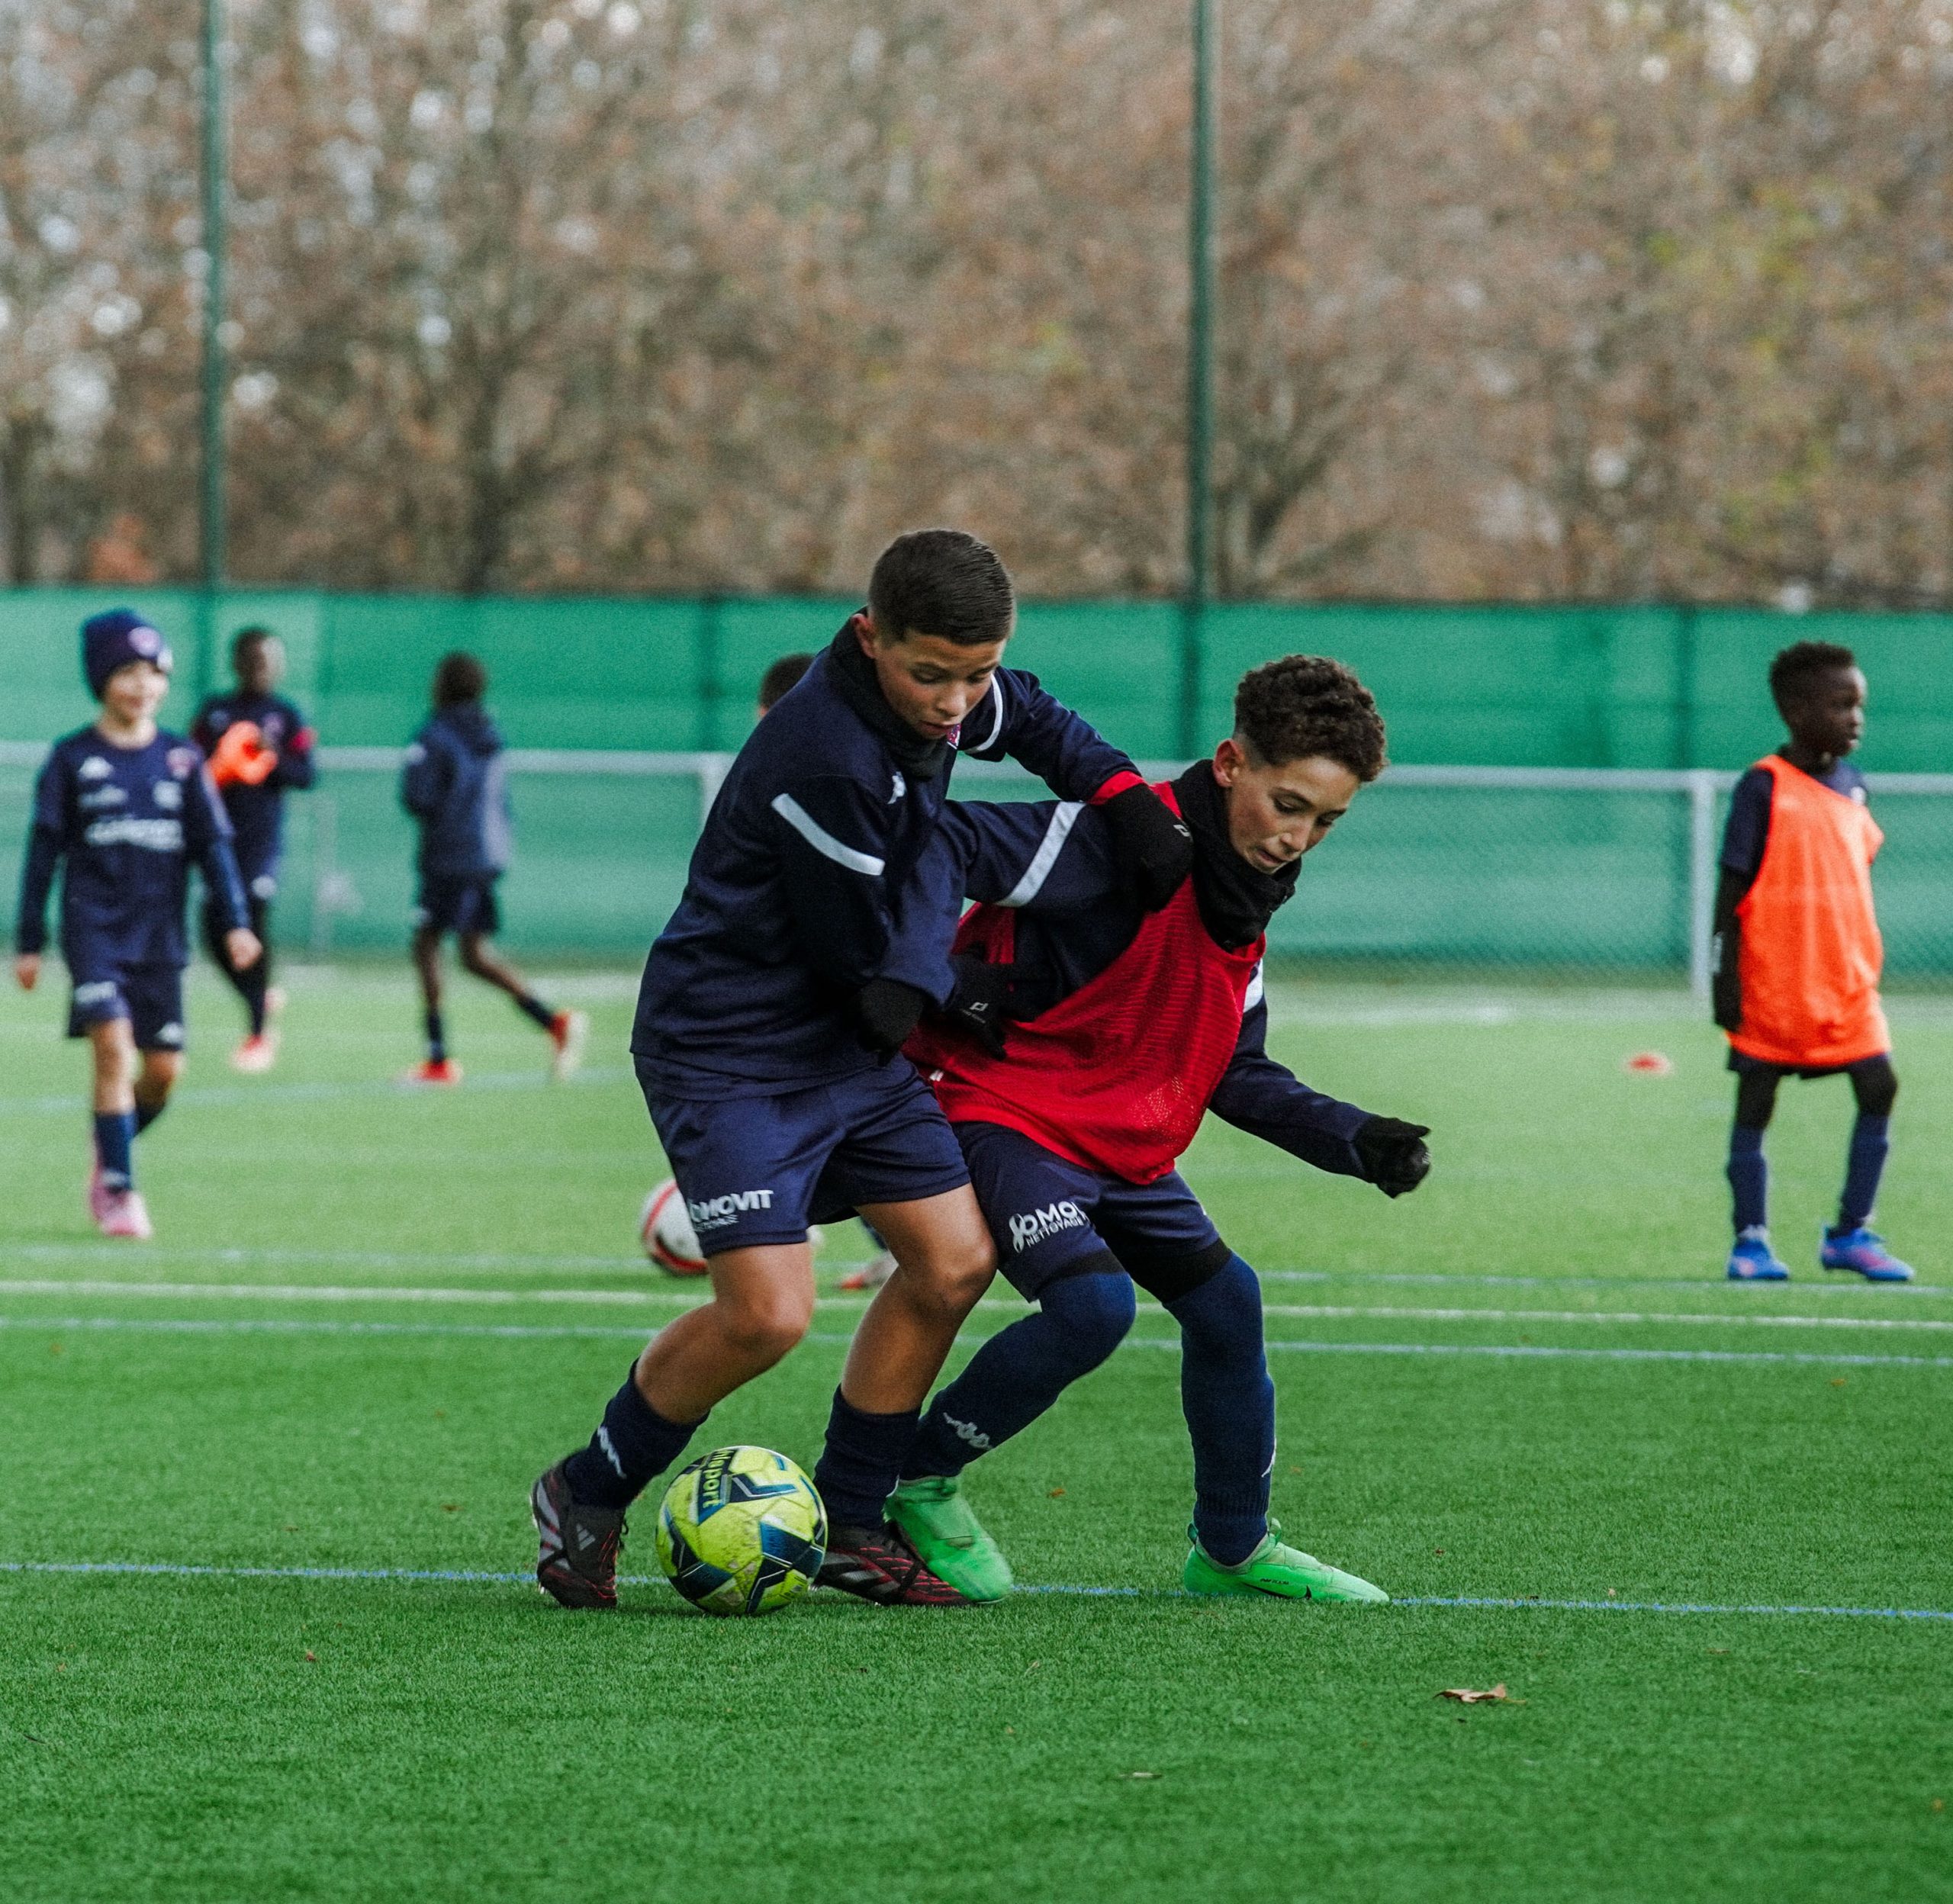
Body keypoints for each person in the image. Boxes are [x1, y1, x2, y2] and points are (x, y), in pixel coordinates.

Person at [529, 527, 1193, 1610]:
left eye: (970, 672)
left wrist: (1120, 795)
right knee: (769, 1319)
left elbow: (1029, 714)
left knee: (951, 1261)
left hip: (848, 1041)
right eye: (930, 673)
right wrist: (969, 996)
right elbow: (864, 947)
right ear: (867, 636)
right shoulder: (825, 759)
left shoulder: (954, 688)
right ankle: (587, 1488)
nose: (952, 701)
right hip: (731, 1048)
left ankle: (853, 1512)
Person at [885, 654, 1430, 1603]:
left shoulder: (1244, 906)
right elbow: (932, 849)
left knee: (1229, 1306)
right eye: (1288, 804)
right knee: (1094, 1311)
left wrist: (1356, 1139)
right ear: (1229, 764)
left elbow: (1236, 1070)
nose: (1298, 838)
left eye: (1326, 822)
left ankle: (1230, 1551)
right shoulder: (1120, 841)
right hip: (1004, 1111)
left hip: (1121, 1144)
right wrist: (950, 984)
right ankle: (914, 1480)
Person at [13, 609, 259, 1240]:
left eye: (154, 672)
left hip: (160, 937)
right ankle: (122, 1191)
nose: (142, 685)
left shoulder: (182, 758)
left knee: (164, 1070)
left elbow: (215, 847)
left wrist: (235, 922)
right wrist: (30, 940)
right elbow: (44, 851)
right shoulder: (72, 760)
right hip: (93, 929)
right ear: (101, 679)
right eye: (127, 671)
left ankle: (110, 1146)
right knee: (113, 1049)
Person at [1711, 641, 1910, 1282]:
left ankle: (1851, 1234)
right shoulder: (1763, 786)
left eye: (1860, 706)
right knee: (1756, 1102)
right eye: (1841, 704)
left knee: (1881, 1086)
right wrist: (1724, 977)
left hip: (1848, 987)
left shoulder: (1855, 787)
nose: (1856, 718)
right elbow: (1731, 893)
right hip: (1775, 987)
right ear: (1796, 711)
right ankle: (1751, 1242)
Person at [756, 650, 898, 1294]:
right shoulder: (852, 771)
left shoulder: (811, 780)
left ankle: (785, 1219)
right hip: (848, 993)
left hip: (828, 998)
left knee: (821, 1118)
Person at [398, 651, 587, 1085]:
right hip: (486, 856)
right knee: (473, 955)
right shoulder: (489, 731)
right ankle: (552, 1022)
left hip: (449, 858)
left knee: (427, 945)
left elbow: (418, 797)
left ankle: (438, 1059)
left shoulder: (436, 733)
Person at [191, 626, 317, 1072]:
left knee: (255, 927)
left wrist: (274, 754)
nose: (265, 669)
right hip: (219, 840)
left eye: (272, 660)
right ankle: (257, 996)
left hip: (262, 843)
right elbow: (192, 769)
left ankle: (259, 1034)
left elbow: (306, 775)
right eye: (257, 660)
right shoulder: (216, 712)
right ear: (239, 663)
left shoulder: (285, 714)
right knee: (213, 931)